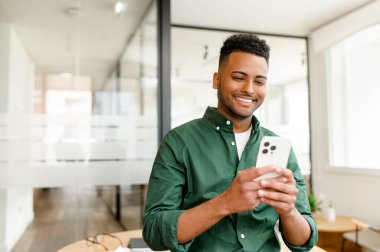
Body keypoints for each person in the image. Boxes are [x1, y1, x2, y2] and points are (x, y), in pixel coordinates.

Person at [143, 33, 317, 252]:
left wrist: (289, 211)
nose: (250, 89)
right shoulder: (178, 142)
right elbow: (153, 232)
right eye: (238, 77)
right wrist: (225, 203)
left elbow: (303, 243)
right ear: (217, 80)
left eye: (259, 81)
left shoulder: (279, 146)